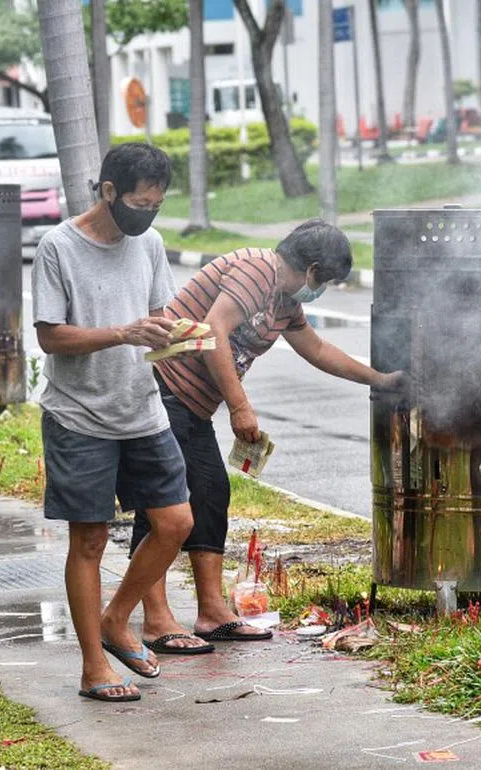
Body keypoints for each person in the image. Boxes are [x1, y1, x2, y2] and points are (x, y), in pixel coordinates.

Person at [130, 220, 406, 653]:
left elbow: (318, 350)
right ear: (312, 270)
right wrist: (240, 406)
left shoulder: (284, 302)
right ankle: (155, 619)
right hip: (161, 388)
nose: (322, 290)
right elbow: (214, 330)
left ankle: (212, 612)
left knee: (210, 493)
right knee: (164, 503)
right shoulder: (258, 269)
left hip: (191, 406)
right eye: (326, 281)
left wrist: (380, 380)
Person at [32, 143, 195, 703]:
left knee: (175, 522)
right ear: (107, 192)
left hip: (142, 408)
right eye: (138, 202)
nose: (146, 213)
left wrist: (174, 337)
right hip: (79, 416)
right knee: (90, 540)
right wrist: (123, 333)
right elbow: (51, 336)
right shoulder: (58, 247)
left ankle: (116, 616)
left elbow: (154, 318)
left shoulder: (148, 243)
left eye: (156, 204)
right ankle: (94, 666)